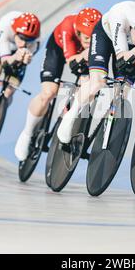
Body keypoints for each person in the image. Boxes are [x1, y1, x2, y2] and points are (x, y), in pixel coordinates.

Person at [56, 1, 135, 144]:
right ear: (132, 23)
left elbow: (130, 69)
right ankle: (71, 114)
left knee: (122, 91)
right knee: (97, 83)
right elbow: (121, 60)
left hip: (129, 48)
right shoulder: (120, 15)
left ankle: (106, 127)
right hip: (105, 36)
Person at [14, 8, 102, 161]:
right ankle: (27, 133)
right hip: (59, 50)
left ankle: (70, 119)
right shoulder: (69, 25)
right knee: (49, 92)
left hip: (82, 55)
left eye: (92, 38)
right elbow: (72, 62)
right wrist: (84, 55)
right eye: (86, 38)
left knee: (88, 88)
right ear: (79, 32)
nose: (89, 41)